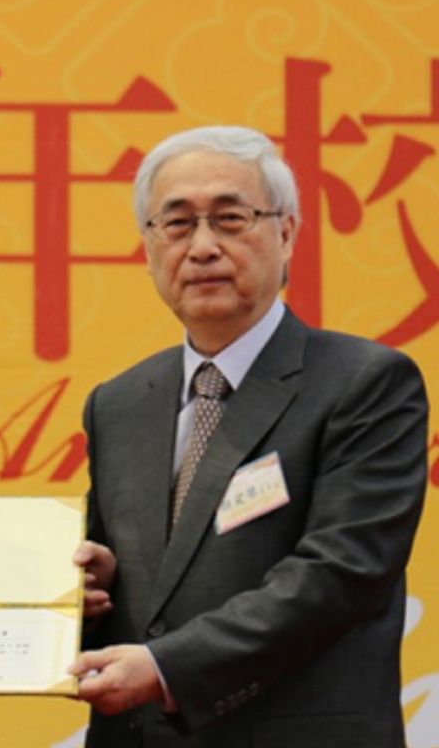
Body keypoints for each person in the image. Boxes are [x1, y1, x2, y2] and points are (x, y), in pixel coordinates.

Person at [69, 125, 428, 746]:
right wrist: (91, 590)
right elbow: (142, 592)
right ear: (148, 248)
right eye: (176, 224)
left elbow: (340, 573)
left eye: (231, 219)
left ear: (286, 234)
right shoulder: (118, 404)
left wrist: (167, 668)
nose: (203, 247)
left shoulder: (365, 383)